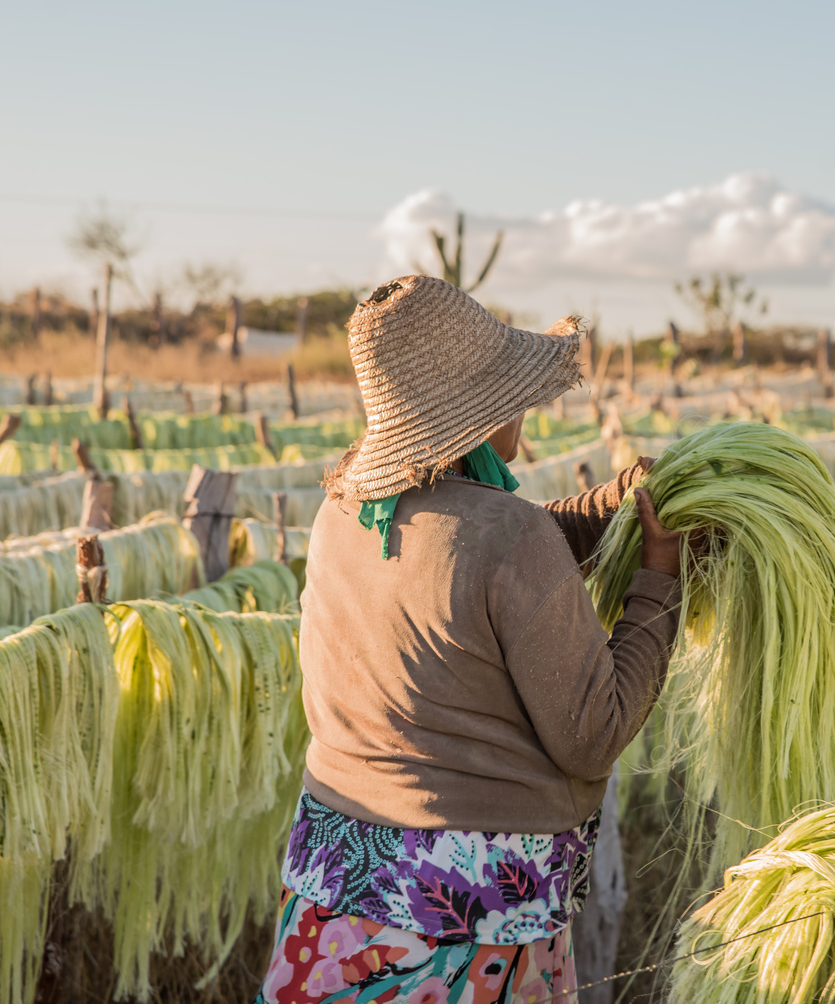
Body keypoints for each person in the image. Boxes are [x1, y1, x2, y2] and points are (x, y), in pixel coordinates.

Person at [257, 275, 685, 1004]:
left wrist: (606, 508)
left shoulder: (341, 514)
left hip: (334, 896)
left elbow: (469, 565)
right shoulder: (509, 537)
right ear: (479, 409)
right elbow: (593, 732)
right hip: (473, 925)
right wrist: (659, 579)